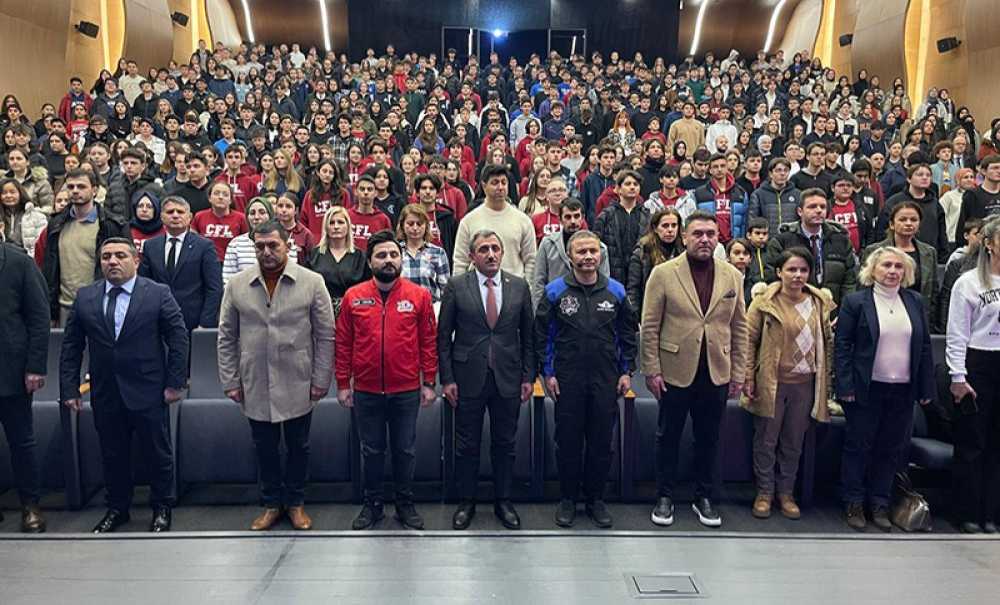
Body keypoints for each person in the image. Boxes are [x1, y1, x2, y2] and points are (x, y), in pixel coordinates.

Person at [59, 237, 189, 533]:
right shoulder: (86, 297)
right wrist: (69, 389)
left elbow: (178, 337)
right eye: (106, 257)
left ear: (136, 261)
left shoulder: (157, 293)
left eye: (119, 255)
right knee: (112, 453)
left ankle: (162, 507)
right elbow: (71, 347)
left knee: (157, 452)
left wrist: (175, 382)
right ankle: (118, 509)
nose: (112, 261)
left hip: (149, 389)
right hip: (106, 391)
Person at [217, 220, 335, 531]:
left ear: (288, 245)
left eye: (273, 245)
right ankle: (271, 503)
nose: (266, 252)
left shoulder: (312, 282)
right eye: (260, 246)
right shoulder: (237, 284)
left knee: (299, 446)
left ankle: (295, 503)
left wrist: (322, 379)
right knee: (264, 447)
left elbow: (326, 336)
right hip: (254, 379)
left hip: (299, 379)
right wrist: (230, 380)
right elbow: (226, 336)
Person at [640, 211, 748, 528]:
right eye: (698, 233)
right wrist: (652, 370)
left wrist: (738, 373)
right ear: (685, 237)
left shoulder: (732, 276)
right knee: (668, 436)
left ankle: (704, 497)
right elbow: (650, 326)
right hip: (674, 369)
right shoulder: (663, 273)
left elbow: (739, 327)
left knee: (710, 438)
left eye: (710, 234)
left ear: (719, 239)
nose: (704, 239)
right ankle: (664, 497)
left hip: (716, 370)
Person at [336, 230, 438, 531]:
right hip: (366, 391)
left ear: (401, 259)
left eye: (394, 254)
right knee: (371, 450)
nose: (389, 260)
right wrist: (343, 383)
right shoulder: (354, 297)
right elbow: (343, 343)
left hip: (406, 389)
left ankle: (405, 504)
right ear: (370, 261)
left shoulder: (419, 296)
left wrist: (428, 382)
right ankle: (373, 506)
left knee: (405, 449)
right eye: (381, 255)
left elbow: (427, 342)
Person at [535, 229, 636, 528]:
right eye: (581, 252)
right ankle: (568, 499)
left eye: (593, 251)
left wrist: (626, 370)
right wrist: (547, 372)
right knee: (567, 441)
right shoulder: (554, 292)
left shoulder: (616, 292)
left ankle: (596, 500)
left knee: (601, 442)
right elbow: (542, 335)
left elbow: (628, 334)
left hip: (606, 378)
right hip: (567, 378)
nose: (588, 256)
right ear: (570, 257)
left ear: (601, 254)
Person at [438, 230, 535, 530]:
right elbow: (443, 338)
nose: (491, 254)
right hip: (467, 378)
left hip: (508, 376)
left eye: (495, 248)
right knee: (466, 444)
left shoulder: (519, 286)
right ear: (472, 256)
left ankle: (503, 501)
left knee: (505, 443)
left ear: (502, 253)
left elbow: (529, 336)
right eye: (483, 249)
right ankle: (466, 502)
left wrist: (529, 376)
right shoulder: (456, 286)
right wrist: (447, 379)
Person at [835, 247, 934, 531]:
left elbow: (925, 346)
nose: (892, 271)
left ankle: (879, 503)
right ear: (872, 270)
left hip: (903, 389)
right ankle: (853, 502)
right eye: (886, 266)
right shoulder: (856, 302)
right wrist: (845, 386)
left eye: (898, 267)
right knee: (858, 447)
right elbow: (842, 346)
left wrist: (925, 387)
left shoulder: (914, 301)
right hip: (866, 388)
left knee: (890, 449)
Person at [743, 248, 835, 520]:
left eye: (803, 270)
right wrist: (748, 375)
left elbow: (827, 343)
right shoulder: (764, 302)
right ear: (779, 272)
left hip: (805, 383)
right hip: (772, 382)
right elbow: (749, 341)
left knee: (794, 441)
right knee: (766, 440)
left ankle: (786, 493)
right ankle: (764, 492)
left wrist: (827, 383)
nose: (797, 275)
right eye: (792, 269)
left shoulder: (819, 302)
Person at [947, 216, 1000, 533]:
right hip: (977, 363)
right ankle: (965, 511)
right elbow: (956, 333)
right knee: (973, 442)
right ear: (990, 243)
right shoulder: (968, 282)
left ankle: (991, 513)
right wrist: (957, 376)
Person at [0, 236, 49, 532]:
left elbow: (40, 317)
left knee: (22, 442)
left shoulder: (19, 262)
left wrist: (35, 367)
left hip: (12, 371)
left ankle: (30, 505)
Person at [39, 169, 126, 326]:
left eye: (81, 186)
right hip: (65, 305)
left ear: (94, 190)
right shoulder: (56, 224)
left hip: (102, 305)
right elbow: (50, 268)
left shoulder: (111, 225)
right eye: (70, 187)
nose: (75, 191)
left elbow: (126, 268)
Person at [138, 196, 223, 333]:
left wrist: (205, 323)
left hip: (193, 323)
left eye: (180, 212)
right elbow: (143, 284)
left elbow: (214, 288)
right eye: (170, 212)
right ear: (162, 217)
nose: (175, 215)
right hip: (157, 320)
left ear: (189, 217)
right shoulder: (150, 246)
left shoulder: (204, 246)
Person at [765, 188, 858, 307]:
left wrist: (845, 311)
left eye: (823, 207)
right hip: (793, 310)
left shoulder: (841, 240)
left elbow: (850, 281)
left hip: (834, 311)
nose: (819, 211)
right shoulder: (782, 241)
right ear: (800, 211)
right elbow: (773, 278)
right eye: (812, 207)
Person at [453, 165, 536, 278]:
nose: (500, 187)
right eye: (495, 182)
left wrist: (528, 288)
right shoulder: (469, 221)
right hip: (477, 289)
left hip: (514, 288)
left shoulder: (523, 220)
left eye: (503, 182)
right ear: (484, 185)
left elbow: (531, 260)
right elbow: (460, 261)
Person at [862, 202, 938, 324]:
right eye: (903, 219)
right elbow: (864, 286)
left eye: (913, 220)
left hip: (918, 317)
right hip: (881, 316)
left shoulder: (929, 252)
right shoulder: (874, 251)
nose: (908, 223)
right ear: (892, 224)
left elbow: (933, 291)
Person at [531, 198, 610, 309]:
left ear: (583, 218)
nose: (573, 221)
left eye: (576, 216)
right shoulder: (548, 244)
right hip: (554, 305)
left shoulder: (599, 248)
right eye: (568, 217)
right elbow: (539, 282)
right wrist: (538, 312)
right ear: (560, 219)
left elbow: (604, 284)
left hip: (587, 307)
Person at [308, 205, 370, 316]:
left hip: (353, 313)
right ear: (326, 227)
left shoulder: (360, 257)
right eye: (331, 223)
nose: (336, 226)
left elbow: (368, 290)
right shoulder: (314, 255)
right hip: (320, 313)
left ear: (348, 226)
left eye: (340, 222)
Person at [594, 169, 651, 287]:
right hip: (612, 274)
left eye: (636, 184)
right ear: (618, 189)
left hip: (639, 275)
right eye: (628, 184)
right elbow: (597, 245)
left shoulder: (647, 216)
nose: (632, 187)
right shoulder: (606, 216)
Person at [222, 196, 297, 282]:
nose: (256, 217)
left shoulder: (286, 242)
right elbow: (228, 281)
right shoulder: (235, 244)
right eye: (252, 213)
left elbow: (290, 276)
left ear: (271, 215)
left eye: (262, 212)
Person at [627, 207, 684, 314]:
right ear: (655, 228)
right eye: (665, 226)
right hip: (651, 309)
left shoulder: (684, 251)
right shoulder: (642, 252)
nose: (670, 230)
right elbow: (633, 289)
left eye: (674, 225)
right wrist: (634, 318)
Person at [397, 204, 450, 304]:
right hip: (400, 308)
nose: (415, 228)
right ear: (402, 225)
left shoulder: (438, 253)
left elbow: (445, 289)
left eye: (419, 224)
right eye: (410, 223)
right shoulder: (395, 252)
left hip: (430, 308)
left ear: (426, 226)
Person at [954, 154, 1000, 246]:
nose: (998, 171)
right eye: (994, 168)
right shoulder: (972, 195)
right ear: (983, 171)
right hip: (980, 246)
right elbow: (963, 225)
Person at [749, 157, 802, 235]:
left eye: (786, 170)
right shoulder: (758, 194)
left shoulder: (798, 194)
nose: (782, 173)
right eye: (778, 170)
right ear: (771, 174)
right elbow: (753, 221)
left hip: (792, 241)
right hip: (768, 241)